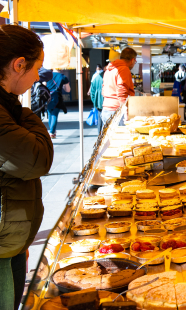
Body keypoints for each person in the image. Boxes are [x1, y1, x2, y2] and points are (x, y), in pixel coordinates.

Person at [0, 24, 54, 310]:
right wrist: (26, 114)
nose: (37, 77)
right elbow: (37, 159)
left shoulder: (8, 106)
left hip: (10, 238)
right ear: (18, 65)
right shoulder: (12, 110)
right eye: (37, 68)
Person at [101, 47, 136, 125]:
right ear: (132, 60)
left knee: (110, 137)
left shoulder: (109, 69)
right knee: (121, 136)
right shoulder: (124, 69)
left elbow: (103, 89)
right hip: (117, 111)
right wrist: (126, 112)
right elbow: (122, 93)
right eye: (135, 61)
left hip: (106, 109)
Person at [46, 69, 70, 138]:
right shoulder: (63, 77)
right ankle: (52, 132)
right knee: (54, 115)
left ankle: (52, 130)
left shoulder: (47, 75)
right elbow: (68, 90)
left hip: (47, 97)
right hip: (57, 98)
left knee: (50, 113)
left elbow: (44, 85)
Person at [89, 64, 104, 134]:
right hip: (108, 103)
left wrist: (95, 102)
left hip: (99, 103)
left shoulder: (95, 78)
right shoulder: (106, 77)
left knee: (100, 121)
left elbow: (92, 91)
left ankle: (100, 135)